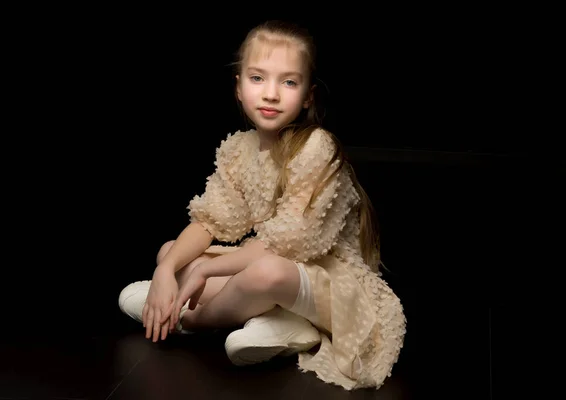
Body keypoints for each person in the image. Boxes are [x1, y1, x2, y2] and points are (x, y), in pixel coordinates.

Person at [118, 19, 407, 391]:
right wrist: (166, 271)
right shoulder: (239, 150)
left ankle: (187, 320)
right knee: (169, 251)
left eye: (288, 82)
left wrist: (202, 276)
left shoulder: (317, 146)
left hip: (329, 284)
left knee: (266, 273)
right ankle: (282, 323)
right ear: (238, 88)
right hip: (269, 265)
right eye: (257, 78)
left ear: (308, 96)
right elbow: (209, 222)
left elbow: (286, 245)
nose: (270, 94)